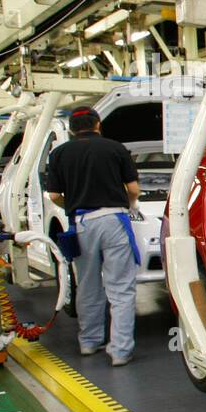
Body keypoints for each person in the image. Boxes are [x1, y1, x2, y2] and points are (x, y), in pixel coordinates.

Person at [45, 107, 142, 366]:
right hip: (114, 220)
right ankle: (120, 350)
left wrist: (71, 204)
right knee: (120, 287)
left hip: (82, 223)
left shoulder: (59, 153)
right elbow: (133, 188)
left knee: (87, 284)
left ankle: (89, 342)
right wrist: (130, 203)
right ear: (98, 124)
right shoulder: (115, 148)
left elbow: (53, 196)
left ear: (72, 129)